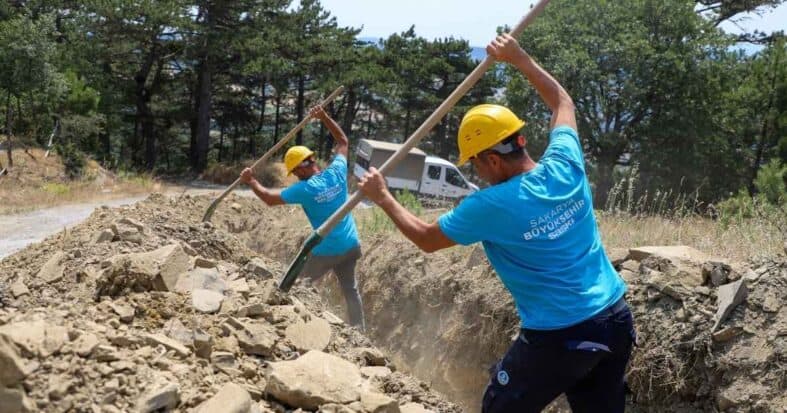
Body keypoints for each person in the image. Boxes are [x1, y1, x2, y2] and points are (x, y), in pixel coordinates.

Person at [358, 33, 634, 412]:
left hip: (558, 334)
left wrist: (382, 196)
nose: (475, 169)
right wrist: (520, 58)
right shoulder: (565, 164)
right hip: (615, 318)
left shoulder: (491, 205)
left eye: (474, 161)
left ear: (492, 159)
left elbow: (425, 238)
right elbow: (562, 102)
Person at [240, 105, 365, 330]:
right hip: (351, 244)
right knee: (350, 289)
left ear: (301, 169)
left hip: (326, 250)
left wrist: (251, 181)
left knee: (299, 284)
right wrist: (324, 117)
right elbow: (343, 141)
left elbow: (269, 198)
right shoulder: (336, 172)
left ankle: (295, 324)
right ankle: (359, 330)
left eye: (295, 172)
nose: (295, 176)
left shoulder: (305, 189)